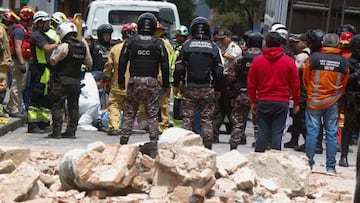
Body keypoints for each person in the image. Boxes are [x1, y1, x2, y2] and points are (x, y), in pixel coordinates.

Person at [118, 12, 169, 144]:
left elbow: (122, 61)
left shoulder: (130, 42)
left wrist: (121, 80)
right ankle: (153, 140)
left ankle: (124, 140)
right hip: (151, 82)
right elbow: (165, 64)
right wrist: (166, 85)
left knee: (130, 112)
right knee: (152, 114)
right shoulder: (158, 43)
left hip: (134, 81)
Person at [173, 16, 224, 149]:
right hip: (207, 89)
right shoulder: (213, 48)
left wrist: (176, 84)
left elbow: (179, 67)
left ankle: (185, 147)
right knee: (206, 120)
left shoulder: (187, 45)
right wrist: (218, 89)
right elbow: (219, 71)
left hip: (189, 88)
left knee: (187, 120)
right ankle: (207, 148)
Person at [303, 32, 349, 175]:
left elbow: (305, 79)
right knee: (331, 134)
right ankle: (330, 167)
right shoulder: (343, 62)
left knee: (312, 133)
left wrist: (311, 93)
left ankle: (309, 164)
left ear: (323, 43)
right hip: (332, 102)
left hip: (314, 101)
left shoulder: (313, 58)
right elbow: (344, 84)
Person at [247, 31, 300, 153]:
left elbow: (251, 84)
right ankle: (275, 161)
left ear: (266, 44)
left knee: (262, 131)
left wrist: (253, 101)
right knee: (278, 132)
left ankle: (258, 159)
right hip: (282, 102)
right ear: (281, 44)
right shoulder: (289, 62)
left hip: (263, 100)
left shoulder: (257, 61)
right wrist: (296, 102)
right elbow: (295, 84)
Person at [47, 21, 92, 138]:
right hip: (76, 81)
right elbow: (89, 62)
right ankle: (71, 131)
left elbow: (53, 60)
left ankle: (56, 132)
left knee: (57, 105)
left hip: (62, 80)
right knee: (73, 106)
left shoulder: (64, 46)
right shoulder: (83, 46)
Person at [226, 32, 263, 150]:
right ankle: (259, 148)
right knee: (259, 124)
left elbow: (231, 77)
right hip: (259, 96)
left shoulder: (241, 58)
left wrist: (232, 95)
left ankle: (233, 147)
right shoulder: (264, 59)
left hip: (242, 94)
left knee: (238, 122)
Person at [27, 11, 58, 133]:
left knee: (46, 97)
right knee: (37, 95)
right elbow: (46, 48)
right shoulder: (36, 35)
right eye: (44, 22)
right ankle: (32, 124)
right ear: (38, 23)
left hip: (47, 69)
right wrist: (58, 45)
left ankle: (43, 122)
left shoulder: (48, 34)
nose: (47, 24)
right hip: (39, 69)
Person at [103, 22, 137, 135]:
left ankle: (114, 126)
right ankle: (127, 127)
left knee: (114, 105)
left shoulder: (115, 49)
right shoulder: (139, 48)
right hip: (134, 85)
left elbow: (108, 67)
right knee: (130, 107)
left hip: (117, 84)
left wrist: (107, 77)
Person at [213, 28, 242, 143]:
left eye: (223, 39)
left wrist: (223, 55)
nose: (221, 41)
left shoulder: (234, 48)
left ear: (229, 37)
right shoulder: (222, 48)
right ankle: (214, 134)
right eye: (219, 39)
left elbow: (235, 58)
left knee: (231, 109)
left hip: (231, 81)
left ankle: (239, 136)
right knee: (219, 108)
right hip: (222, 80)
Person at [6, 6, 35, 118]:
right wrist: (22, 63)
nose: (32, 22)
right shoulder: (19, 31)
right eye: (31, 19)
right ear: (27, 19)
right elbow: (18, 48)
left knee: (20, 86)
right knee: (17, 85)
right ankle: (13, 109)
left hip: (22, 60)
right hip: (19, 61)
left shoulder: (22, 29)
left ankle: (15, 107)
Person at [284, 33, 310, 149]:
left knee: (299, 117)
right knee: (298, 117)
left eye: (297, 42)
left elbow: (293, 71)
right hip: (307, 89)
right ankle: (294, 140)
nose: (295, 44)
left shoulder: (302, 56)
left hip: (301, 90)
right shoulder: (311, 54)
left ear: (304, 43)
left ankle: (306, 142)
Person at [339, 34, 360, 167]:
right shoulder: (347, 62)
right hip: (351, 98)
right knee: (347, 128)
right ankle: (343, 156)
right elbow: (343, 80)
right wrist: (355, 75)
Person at [155, 21, 173, 133]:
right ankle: (161, 123)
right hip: (159, 76)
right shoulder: (163, 43)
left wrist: (162, 76)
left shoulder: (163, 43)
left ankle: (163, 124)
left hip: (159, 76)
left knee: (163, 102)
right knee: (161, 102)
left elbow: (166, 62)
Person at [0, 11, 12, 117]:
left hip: (4, 63)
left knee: (3, 85)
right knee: (1, 86)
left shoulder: (4, 29)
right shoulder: (1, 29)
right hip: (1, 63)